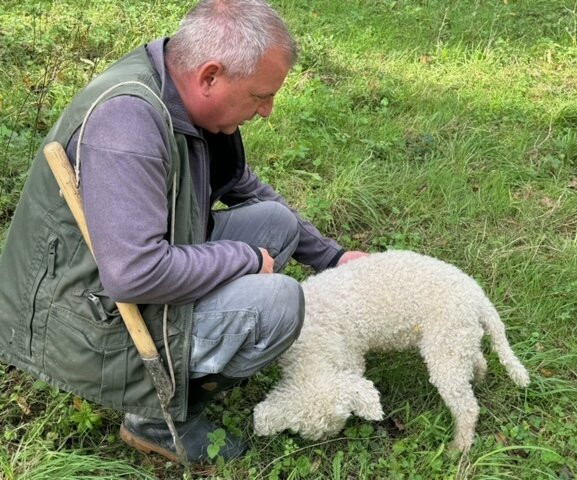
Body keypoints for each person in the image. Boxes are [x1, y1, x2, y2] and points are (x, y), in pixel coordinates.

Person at [0, 0, 367, 464]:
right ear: (210, 76)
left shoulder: (184, 96)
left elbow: (240, 184)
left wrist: (333, 258)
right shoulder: (127, 122)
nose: (268, 111)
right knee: (279, 303)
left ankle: (187, 358)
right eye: (260, 96)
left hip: (135, 270)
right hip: (88, 318)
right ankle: (154, 418)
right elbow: (134, 274)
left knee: (276, 223)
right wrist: (245, 259)